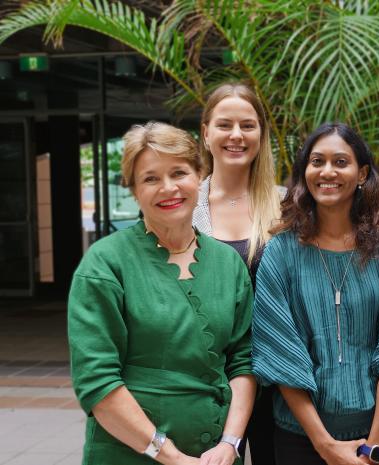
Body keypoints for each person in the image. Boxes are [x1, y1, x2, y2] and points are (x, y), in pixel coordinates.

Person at [68, 122, 255, 465]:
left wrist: (230, 443)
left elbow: (242, 360)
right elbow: (97, 381)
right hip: (128, 454)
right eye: (151, 178)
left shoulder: (228, 263)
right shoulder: (104, 263)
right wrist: (171, 457)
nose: (168, 188)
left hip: (217, 455)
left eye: (179, 173)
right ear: (134, 190)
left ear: (200, 176)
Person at [252, 123, 379, 465]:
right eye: (317, 161)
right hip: (301, 439)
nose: (327, 171)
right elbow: (280, 353)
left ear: (361, 173)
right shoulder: (280, 252)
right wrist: (325, 445)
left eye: (340, 162)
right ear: (305, 172)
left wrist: (372, 450)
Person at [193, 82, 282, 464]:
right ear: (206, 132)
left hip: (278, 379)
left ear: (261, 133)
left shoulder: (286, 204)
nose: (236, 135)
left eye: (247, 125)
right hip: (207, 377)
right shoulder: (184, 204)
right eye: (225, 124)